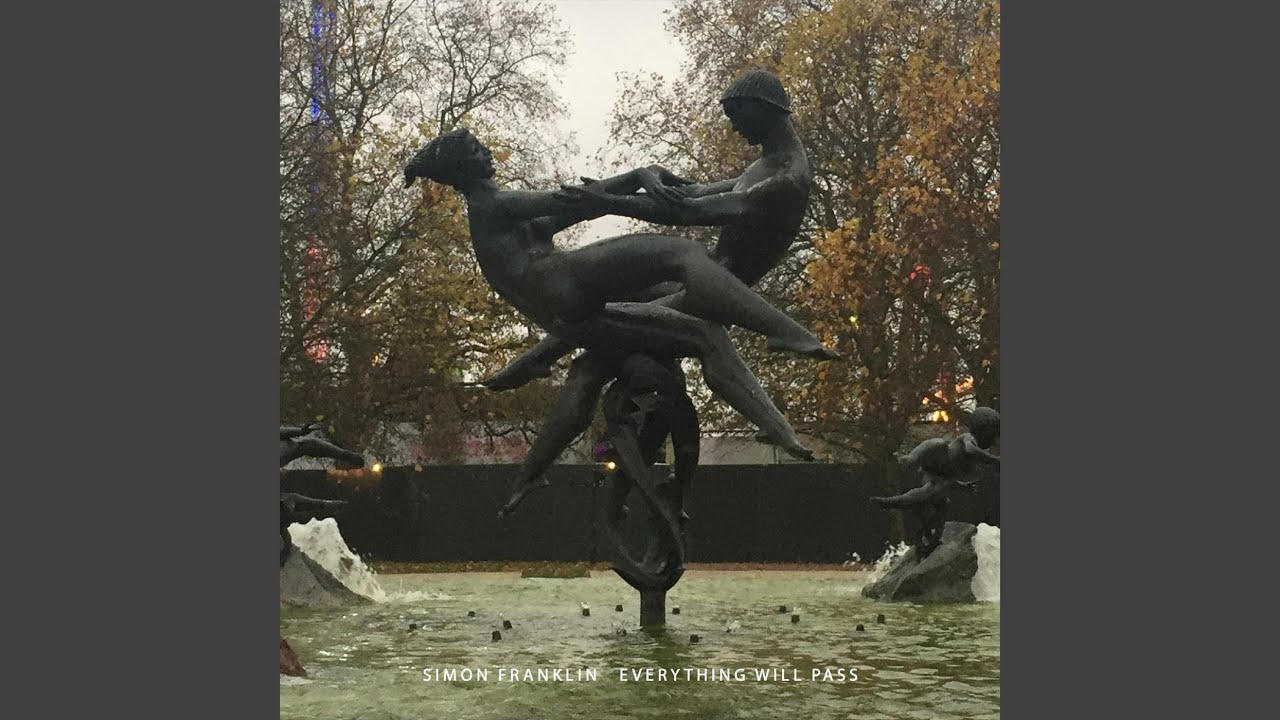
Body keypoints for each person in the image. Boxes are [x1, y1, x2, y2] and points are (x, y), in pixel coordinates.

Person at [402, 121, 835, 516]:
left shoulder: (499, 214)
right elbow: (574, 200)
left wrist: (635, 178)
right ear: (462, 168)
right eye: (475, 150)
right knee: (681, 254)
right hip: (563, 283)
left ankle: (528, 473)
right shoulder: (492, 203)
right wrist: (636, 180)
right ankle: (784, 332)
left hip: (564, 311)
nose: (485, 151)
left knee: (671, 342)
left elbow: (579, 209)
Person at [871, 407, 1001, 555]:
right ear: (983, 431)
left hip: (945, 477)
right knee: (930, 483)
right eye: (993, 436)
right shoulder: (968, 439)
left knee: (943, 505)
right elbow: (970, 449)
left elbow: (954, 477)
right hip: (936, 469)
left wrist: (963, 486)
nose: (995, 441)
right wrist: (995, 460)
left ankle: (930, 539)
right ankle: (893, 497)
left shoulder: (975, 458)